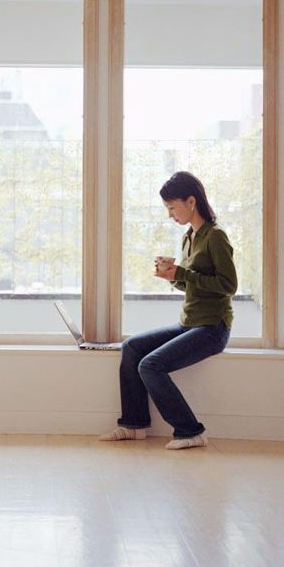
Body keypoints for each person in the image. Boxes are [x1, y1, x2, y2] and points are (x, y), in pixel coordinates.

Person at [100, 171, 237, 449]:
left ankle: (191, 431)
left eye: (172, 207)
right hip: (190, 323)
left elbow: (228, 285)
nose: (170, 214)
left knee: (151, 365)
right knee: (132, 347)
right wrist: (173, 276)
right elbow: (193, 284)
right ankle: (133, 425)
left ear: (191, 201)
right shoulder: (189, 237)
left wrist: (183, 273)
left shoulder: (215, 236)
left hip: (212, 327)